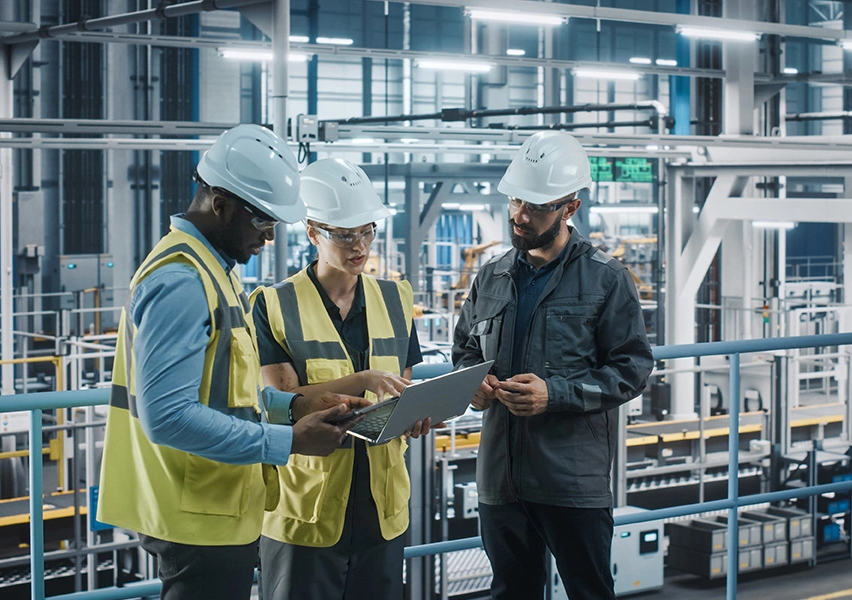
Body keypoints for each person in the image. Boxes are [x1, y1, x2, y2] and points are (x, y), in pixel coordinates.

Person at [97, 125, 366, 600]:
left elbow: (225, 391)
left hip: (215, 506)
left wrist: (295, 408)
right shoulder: (182, 279)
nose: (267, 239)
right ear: (220, 204)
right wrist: (287, 441)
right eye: (261, 222)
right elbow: (168, 418)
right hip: (194, 514)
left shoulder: (212, 271)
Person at [452, 131, 654, 600]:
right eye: (516, 200)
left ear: (570, 208)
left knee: (588, 591)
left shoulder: (607, 279)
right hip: (500, 478)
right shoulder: (492, 276)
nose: (520, 216)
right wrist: (472, 383)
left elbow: (632, 368)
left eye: (536, 207)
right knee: (509, 592)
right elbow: (463, 349)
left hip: (570, 479)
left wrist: (554, 394)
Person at [251, 158, 436, 599]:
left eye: (367, 231)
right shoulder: (273, 305)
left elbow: (401, 388)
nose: (361, 245)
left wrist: (413, 414)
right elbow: (281, 401)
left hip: (381, 509)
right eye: (345, 234)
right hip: (305, 510)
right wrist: (365, 378)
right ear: (312, 232)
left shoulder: (395, 298)